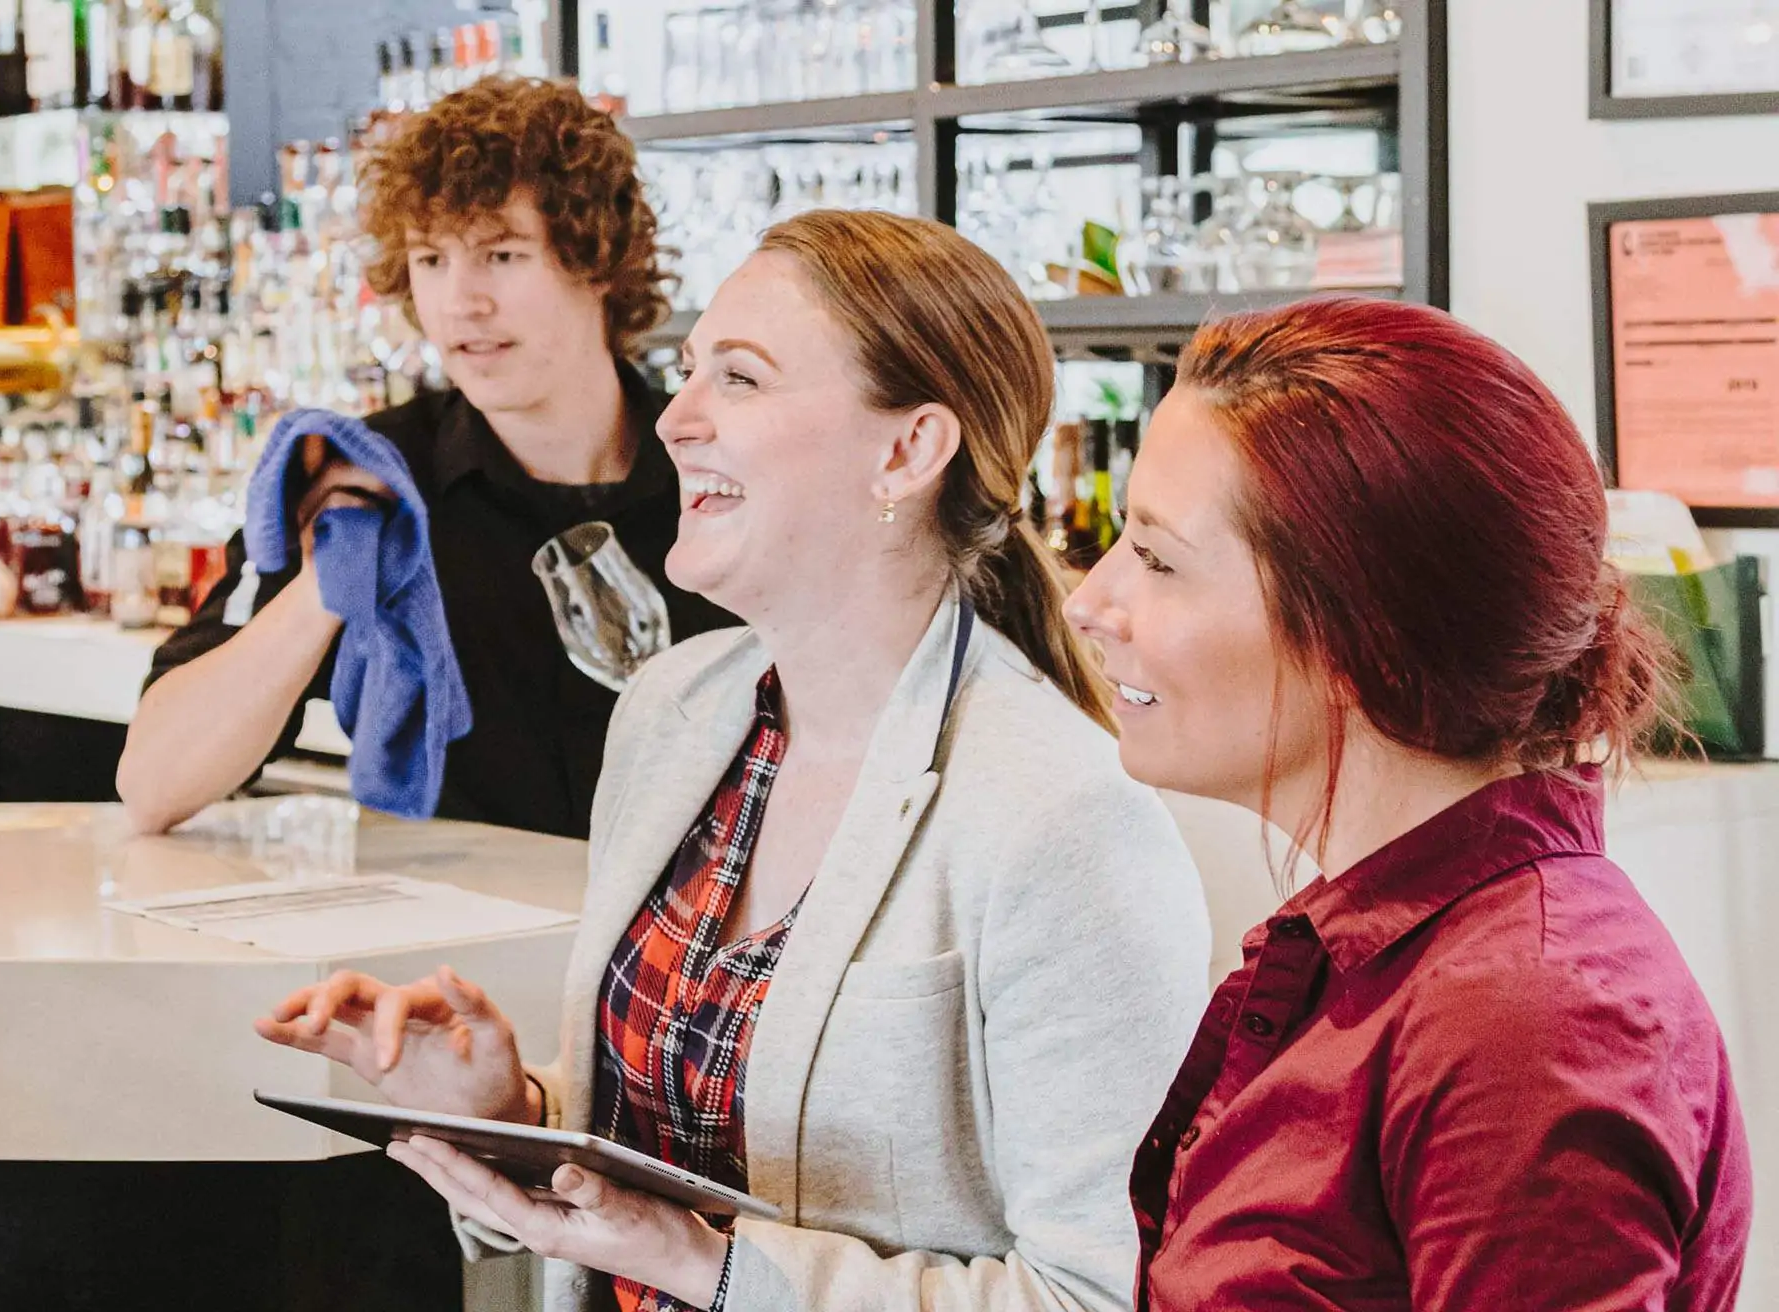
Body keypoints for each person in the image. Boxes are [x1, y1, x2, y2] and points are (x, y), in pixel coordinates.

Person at [256, 209, 1213, 1312]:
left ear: (908, 449)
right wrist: (511, 1114)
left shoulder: (1063, 814)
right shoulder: (675, 710)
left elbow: (1094, 1296)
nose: (677, 420)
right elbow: (691, 1132)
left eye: (742, 380)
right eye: (689, 370)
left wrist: (700, 1263)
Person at [1065, 296, 1753, 1311]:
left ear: (1364, 640)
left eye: (1160, 560)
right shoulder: (1402, 957)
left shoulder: (1529, 1021)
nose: (1091, 600)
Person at [117, 77, 731, 837]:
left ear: (597, 258)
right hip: (456, 947)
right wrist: (325, 585)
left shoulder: (721, 470)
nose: (461, 302)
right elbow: (153, 782)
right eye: (431, 260)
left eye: (501, 255)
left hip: (692, 946)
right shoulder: (369, 477)